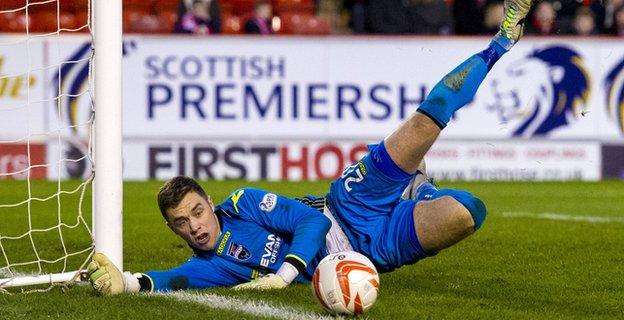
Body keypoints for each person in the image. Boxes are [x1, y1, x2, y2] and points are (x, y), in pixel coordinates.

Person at [87, 0, 535, 295]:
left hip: (348, 206)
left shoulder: (243, 203)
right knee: (468, 212)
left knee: (428, 116)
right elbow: (172, 280)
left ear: (209, 201)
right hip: (371, 251)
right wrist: (124, 283)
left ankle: (501, 42)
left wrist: (285, 275)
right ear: (175, 231)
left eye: (197, 212)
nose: (195, 227)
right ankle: (418, 190)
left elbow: (309, 222)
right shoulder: (216, 265)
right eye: (182, 224)